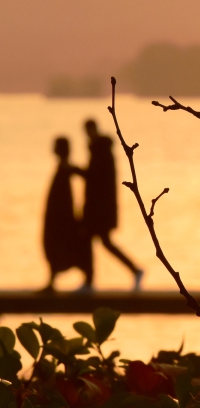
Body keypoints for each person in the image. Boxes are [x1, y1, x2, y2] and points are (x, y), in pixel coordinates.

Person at [82, 119, 144, 290]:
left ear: (93, 130)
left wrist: (74, 171)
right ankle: (134, 270)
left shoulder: (100, 151)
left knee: (96, 241)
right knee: (102, 242)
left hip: (100, 209)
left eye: (88, 131)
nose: (87, 135)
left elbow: (96, 179)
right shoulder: (100, 150)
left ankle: (89, 281)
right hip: (100, 208)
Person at [41, 137, 93, 293]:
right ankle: (52, 280)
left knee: (62, 247)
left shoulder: (66, 168)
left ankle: (86, 279)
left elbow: (87, 176)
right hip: (58, 217)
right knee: (53, 248)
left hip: (61, 218)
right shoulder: (64, 167)